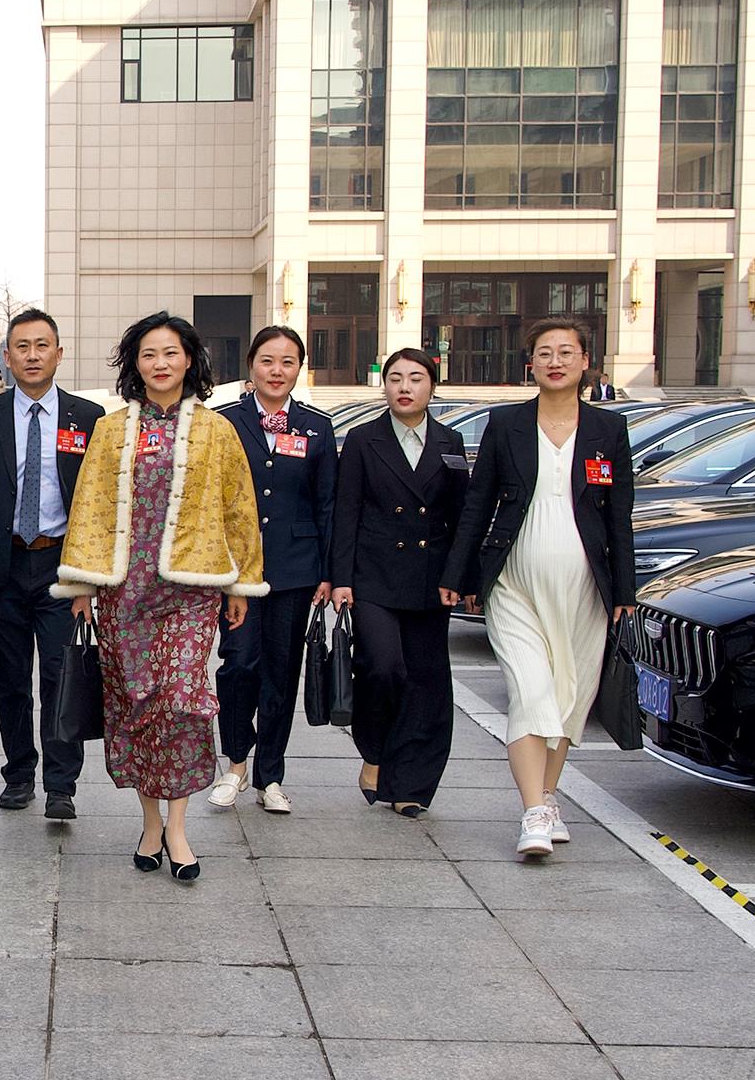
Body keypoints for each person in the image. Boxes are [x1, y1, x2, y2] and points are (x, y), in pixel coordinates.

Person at [55, 312, 265, 884]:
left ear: (190, 359)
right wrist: (82, 586)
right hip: (124, 592)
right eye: (149, 354)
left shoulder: (217, 431)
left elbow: (239, 507)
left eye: (171, 352)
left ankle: (178, 826)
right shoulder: (111, 429)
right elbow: (90, 507)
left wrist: (241, 582)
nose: (161, 363)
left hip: (191, 590)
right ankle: (150, 823)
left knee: (180, 701)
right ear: (135, 364)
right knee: (136, 705)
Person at [442, 317, 637, 860]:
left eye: (566, 352)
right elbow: (477, 505)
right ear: (530, 364)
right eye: (544, 352)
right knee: (530, 693)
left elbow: (619, 516)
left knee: (569, 697)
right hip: (515, 581)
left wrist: (625, 592)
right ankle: (533, 812)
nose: (555, 361)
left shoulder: (608, 429)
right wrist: (458, 577)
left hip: (585, 588)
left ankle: (548, 798)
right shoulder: (506, 424)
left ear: (585, 361)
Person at [0, 309, 103, 818]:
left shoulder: (88, 418)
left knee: (63, 677)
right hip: (3, 567)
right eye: (22, 347)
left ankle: (61, 785)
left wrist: (88, 579)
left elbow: (99, 503)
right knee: (12, 680)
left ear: (59, 354)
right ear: (7, 356)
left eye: (42, 346)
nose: (33, 355)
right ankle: (19, 773)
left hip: (61, 568)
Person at [332, 348, 469, 817]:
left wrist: (461, 576)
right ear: (384, 385)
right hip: (373, 576)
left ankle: (411, 782)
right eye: (395, 378)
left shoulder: (450, 441)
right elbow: (346, 512)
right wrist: (341, 578)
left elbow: (461, 515)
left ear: (432, 386)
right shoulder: (362, 440)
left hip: (431, 579)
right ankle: (374, 750)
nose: (405, 387)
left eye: (415, 378)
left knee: (426, 681)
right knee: (383, 667)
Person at [208, 326, 335, 815]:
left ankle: (271, 775)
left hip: (295, 567)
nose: (276, 371)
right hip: (236, 571)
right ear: (251, 366)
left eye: (287, 362)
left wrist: (328, 571)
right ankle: (236, 762)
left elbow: (327, 503)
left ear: (299, 368)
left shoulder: (315, 427)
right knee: (239, 663)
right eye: (267, 360)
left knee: (281, 672)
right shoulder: (224, 422)